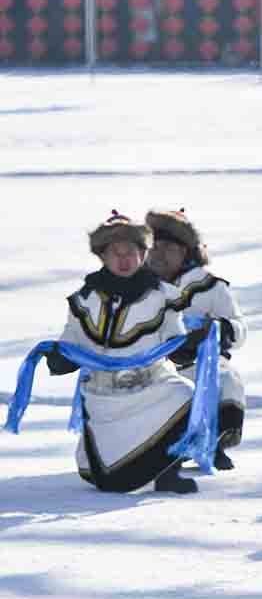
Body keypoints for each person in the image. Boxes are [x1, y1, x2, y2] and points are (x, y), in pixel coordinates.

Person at [45, 211, 209, 494]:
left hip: (151, 386)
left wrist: (188, 346)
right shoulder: (85, 298)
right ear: (102, 256)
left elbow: (174, 339)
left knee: (185, 394)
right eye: (115, 253)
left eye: (130, 252)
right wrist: (61, 358)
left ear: (143, 254)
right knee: (110, 482)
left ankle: (168, 474)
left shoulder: (163, 296)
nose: (123, 260)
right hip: (102, 395)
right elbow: (72, 339)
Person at [146, 208, 247, 471]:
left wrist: (216, 330)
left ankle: (215, 443)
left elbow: (239, 329)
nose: (158, 253)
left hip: (202, 362)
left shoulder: (211, 287)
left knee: (226, 381)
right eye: (152, 247)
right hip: (154, 364)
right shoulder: (139, 286)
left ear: (186, 251)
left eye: (167, 247)